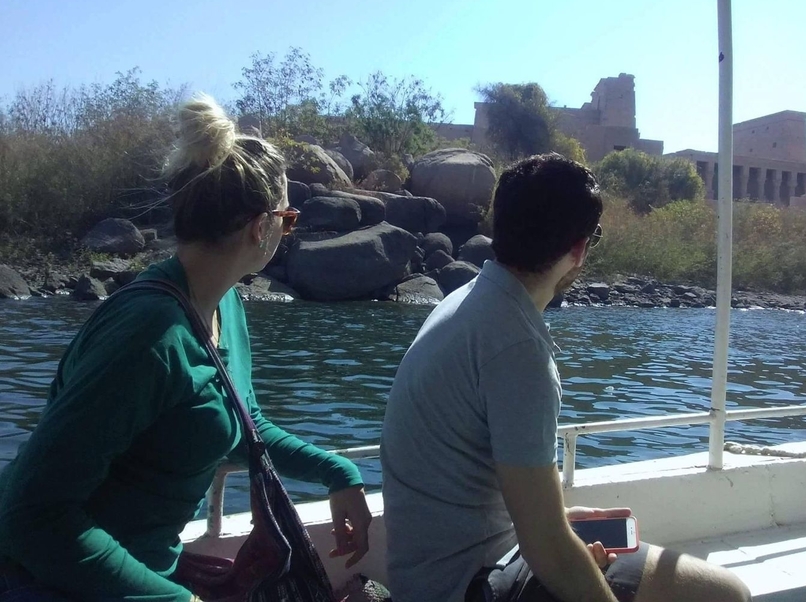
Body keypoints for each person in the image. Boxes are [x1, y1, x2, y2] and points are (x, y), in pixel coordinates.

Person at [0, 95, 372, 601]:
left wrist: (336, 471)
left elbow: (238, 423)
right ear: (260, 227)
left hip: (151, 570)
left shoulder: (224, 306)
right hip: (54, 584)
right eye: (289, 220)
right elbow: (34, 515)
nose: (287, 233)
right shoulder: (148, 334)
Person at [380, 154, 751, 602]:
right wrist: (558, 538)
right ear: (578, 250)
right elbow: (547, 550)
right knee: (726, 593)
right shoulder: (517, 348)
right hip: (467, 586)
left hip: (432, 572)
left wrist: (559, 521)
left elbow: (481, 490)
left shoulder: (467, 300)